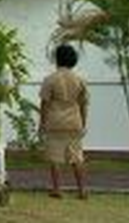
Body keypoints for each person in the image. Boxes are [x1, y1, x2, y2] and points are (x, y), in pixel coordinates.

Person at [39, 43, 90, 199]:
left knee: (55, 157)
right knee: (77, 157)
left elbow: (45, 104)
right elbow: (84, 104)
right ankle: (82, 190)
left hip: (55, 122)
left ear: (57, 59)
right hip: (74, 121)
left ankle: (57, 189)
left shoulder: (50, 79)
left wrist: (42, 122)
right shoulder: (80, 80)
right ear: (73, 59)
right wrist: (83, 122)